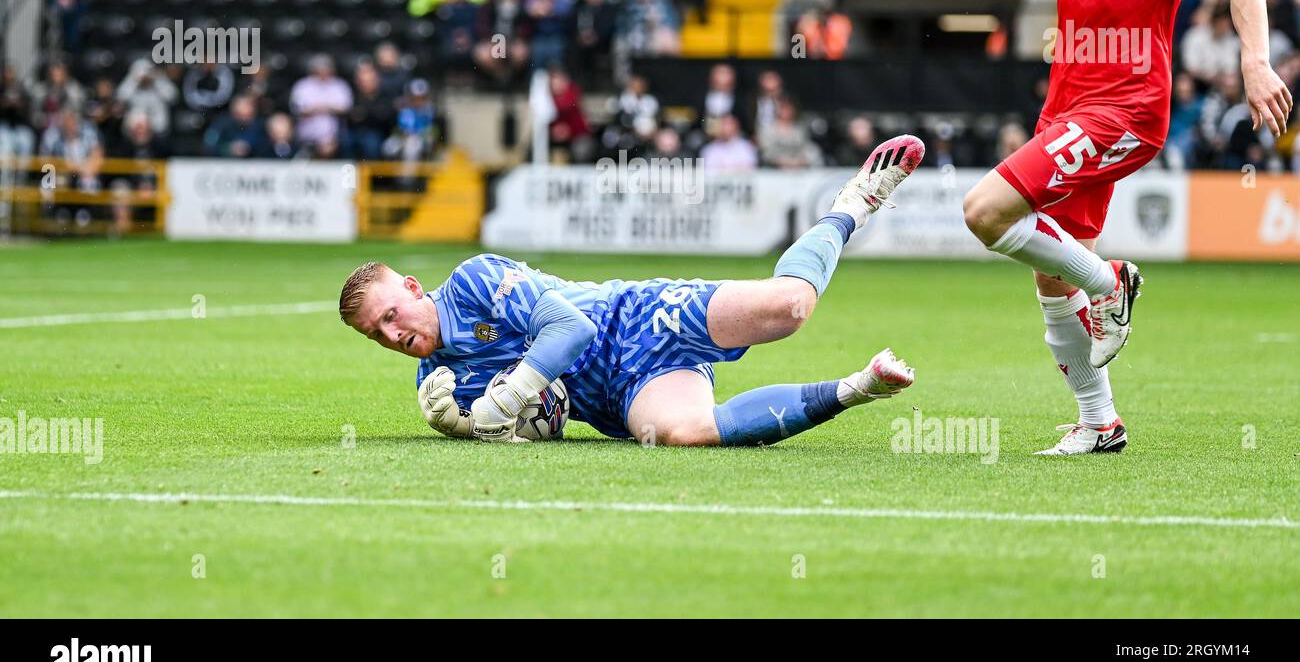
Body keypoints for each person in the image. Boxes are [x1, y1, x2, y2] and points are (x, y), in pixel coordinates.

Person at [915, 0, 1292, 456]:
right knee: (1052, 277)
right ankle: (1100, 422)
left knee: (986, 212)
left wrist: (1256, 61)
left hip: (1124, 108)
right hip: (1068, 102)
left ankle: (1113, 280)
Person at [338, 135, 925, 445]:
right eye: (377, 334)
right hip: (623, 396)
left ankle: (851, 207)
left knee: (789, 307)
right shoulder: (440, 388)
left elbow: (573, 328)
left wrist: (510, 393)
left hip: (637, 317)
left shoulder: (474, 281)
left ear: (413, 288)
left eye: (391, 314)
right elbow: (546, 422)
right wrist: (477, 426)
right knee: (686, 434)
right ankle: (856, 388)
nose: (393, 334)